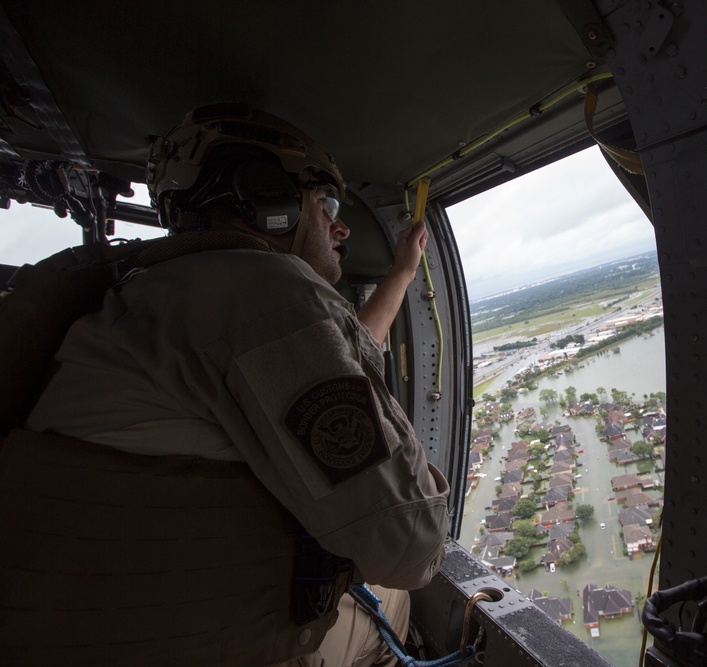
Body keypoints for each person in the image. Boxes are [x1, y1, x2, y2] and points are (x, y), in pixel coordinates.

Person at [0, 104, 449, 665]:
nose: (342, 226)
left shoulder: (161, 291)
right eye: (326, 203)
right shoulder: (269, 291)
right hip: (184, 639)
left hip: (75, 626)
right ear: (269, 199)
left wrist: (403, 273)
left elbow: (339, 354)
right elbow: (411, 544)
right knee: (393, 606)